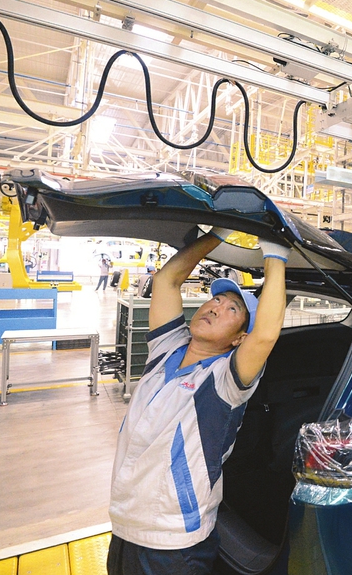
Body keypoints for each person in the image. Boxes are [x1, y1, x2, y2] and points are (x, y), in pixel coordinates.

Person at [106, 228, 290, 575]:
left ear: (239, 338)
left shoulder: (225, 379)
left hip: (175, 540)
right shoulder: (166, 350)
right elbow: (167, 281)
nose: (215, 307)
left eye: (232, 308)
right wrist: (218, 232)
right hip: (124, 523)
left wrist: (275, 255)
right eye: (215, 300)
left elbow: (266, 335)